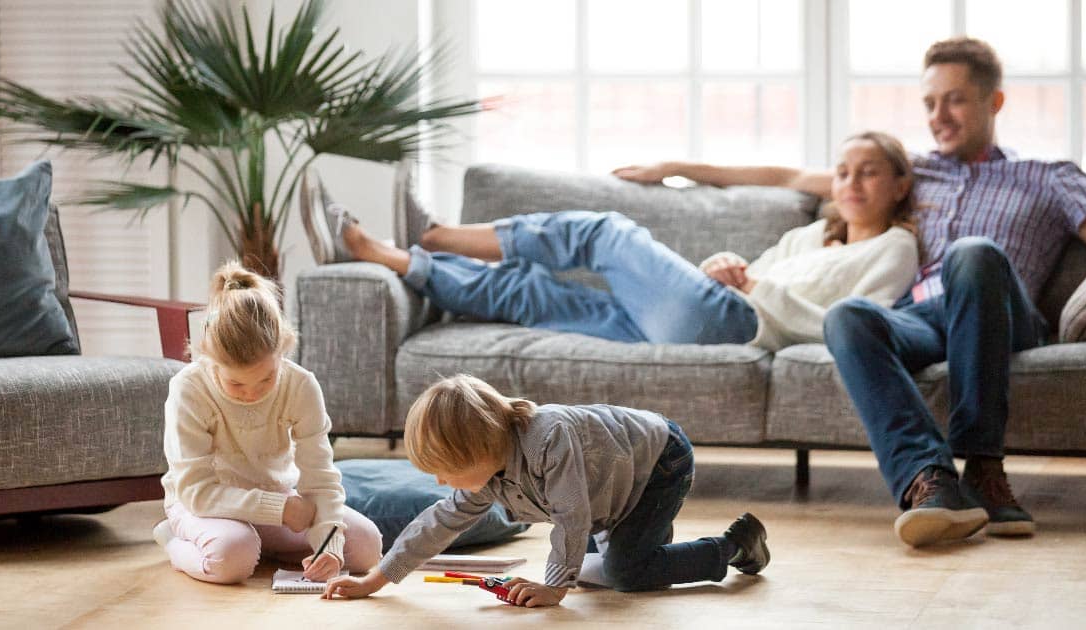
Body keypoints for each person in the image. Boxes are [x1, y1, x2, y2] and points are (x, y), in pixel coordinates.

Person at [619, 37, 1086, 547]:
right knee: (849, 316)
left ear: (994, 102)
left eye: (954, 100)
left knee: (972, 253)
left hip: (1001, 316)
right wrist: (676, 167)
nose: (938, 116)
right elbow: (787, 175)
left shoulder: (1047, 177)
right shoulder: (912, 171)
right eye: (929, 103)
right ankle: (930, 484)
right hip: (924, 317)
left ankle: (984, 469)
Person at [321, 131, 920, 352]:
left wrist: (754, 287)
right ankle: (397, 256)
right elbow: (749, 270)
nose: (852, 183)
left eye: (868, 172)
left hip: (737, 324)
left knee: (604, 232)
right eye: (843, 172)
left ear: (899, 185)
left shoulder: (895, 248)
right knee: (533, 294)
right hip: (706, 313)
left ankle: (435, 232)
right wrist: (725, 264)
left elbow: (860, 324)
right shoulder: (810, 235)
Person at [319, 374, 770, 607]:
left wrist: (554, 586)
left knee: (626, 575)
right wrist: (374, 579)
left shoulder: (548, 436)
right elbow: (436, 524)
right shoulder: (486, 476)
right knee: (599, 572)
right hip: (608, 488)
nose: (440, 483)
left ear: (479, 450)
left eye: (447, 471)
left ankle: (733, 546)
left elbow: (571, 516)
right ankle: (647, 546)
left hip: (657, 462)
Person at [152, 261, 383, 584]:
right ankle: (177, 542)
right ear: (208, 358)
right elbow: (197, 492)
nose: (252, 393)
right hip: (204, 506)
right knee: (232, 558)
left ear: (283, 349)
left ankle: (262, 545)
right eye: (236, 384)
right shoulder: (188, 389)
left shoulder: (301, 385)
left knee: (366, 548)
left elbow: (320, 479)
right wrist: (280, 509)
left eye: (266, 379)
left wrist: (328, 546)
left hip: (278, 499)